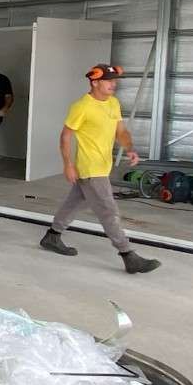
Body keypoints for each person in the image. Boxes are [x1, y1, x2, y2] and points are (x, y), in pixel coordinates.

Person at [39, 65, 160, 274]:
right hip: (90, 167)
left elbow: (120, 130)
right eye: (108, 80)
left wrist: (129, 148)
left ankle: (52, 236)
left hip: (103, 166)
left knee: (75, 202)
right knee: (108, 211)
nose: (114, 84)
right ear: (95, 82)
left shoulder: (113, 103)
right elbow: (65, 136)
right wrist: (67, 164)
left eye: (115, 80)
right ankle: (128, 255)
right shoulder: (82, 106)